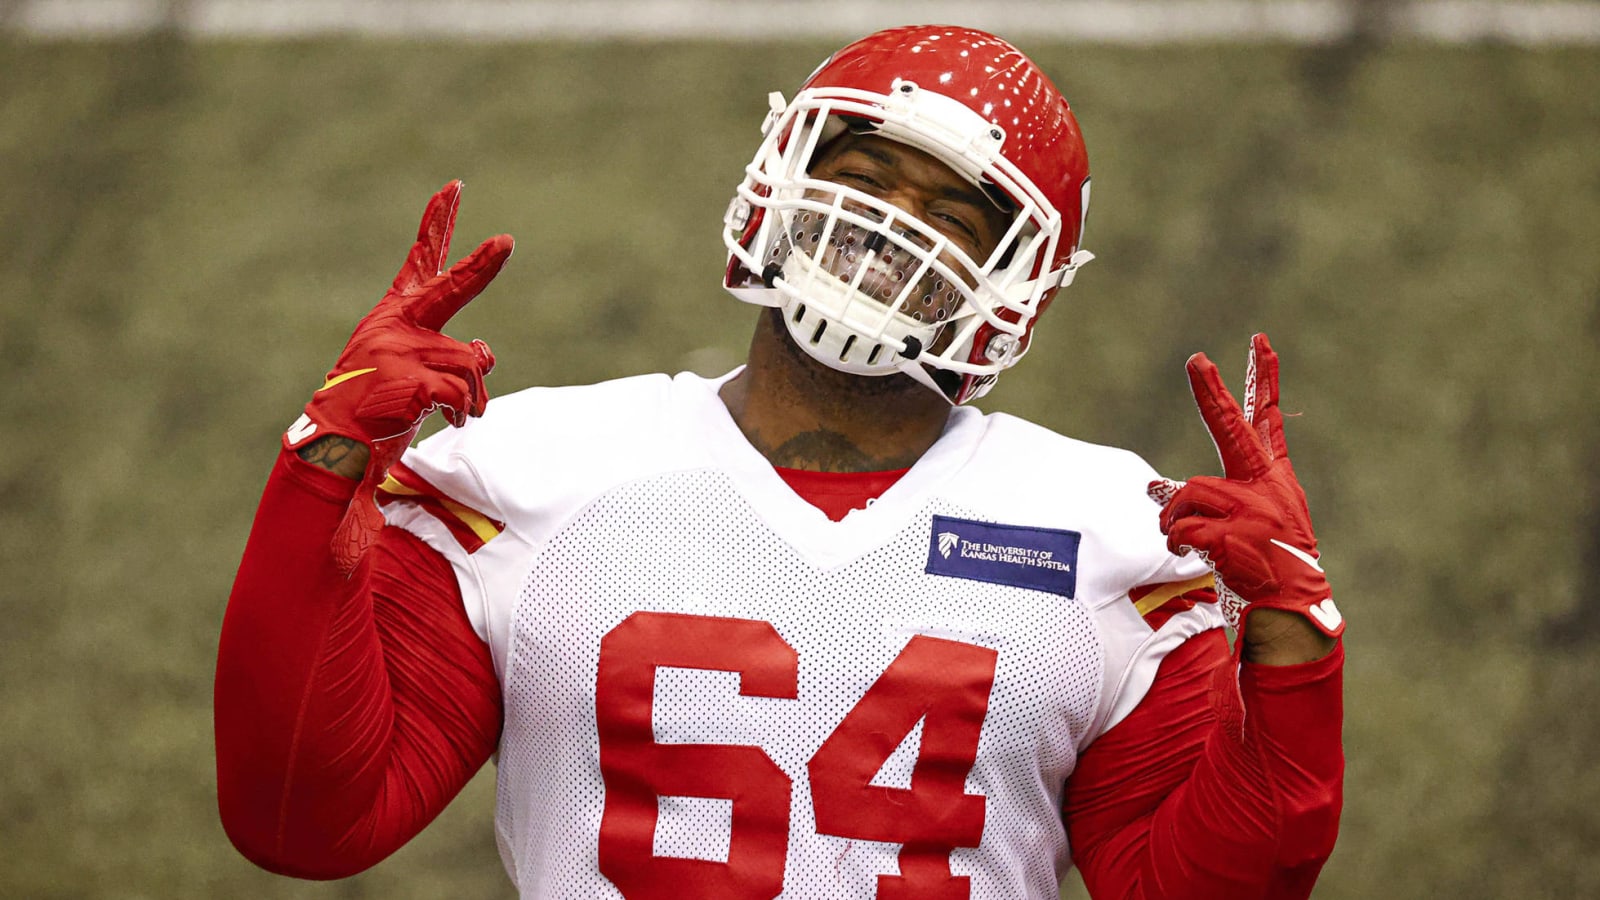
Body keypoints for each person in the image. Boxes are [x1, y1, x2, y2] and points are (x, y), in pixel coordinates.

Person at [215, 24, 1344, 899]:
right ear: (781, 172)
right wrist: (320, 466)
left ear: (1022, 281)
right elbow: (302, 821)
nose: (890, 224)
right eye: (864, 174)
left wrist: (1293, 650)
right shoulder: (534, 474)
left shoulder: (1112, 536)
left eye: (952, 213)